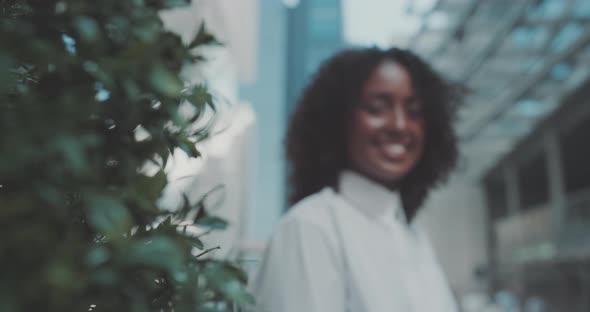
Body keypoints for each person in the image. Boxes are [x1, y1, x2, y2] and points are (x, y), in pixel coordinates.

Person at [251, 47, 461, 312]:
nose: (399, 125)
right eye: (377, 108)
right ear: (338, 120)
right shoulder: (310, 227)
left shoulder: (412, 235)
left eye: (414, 111)